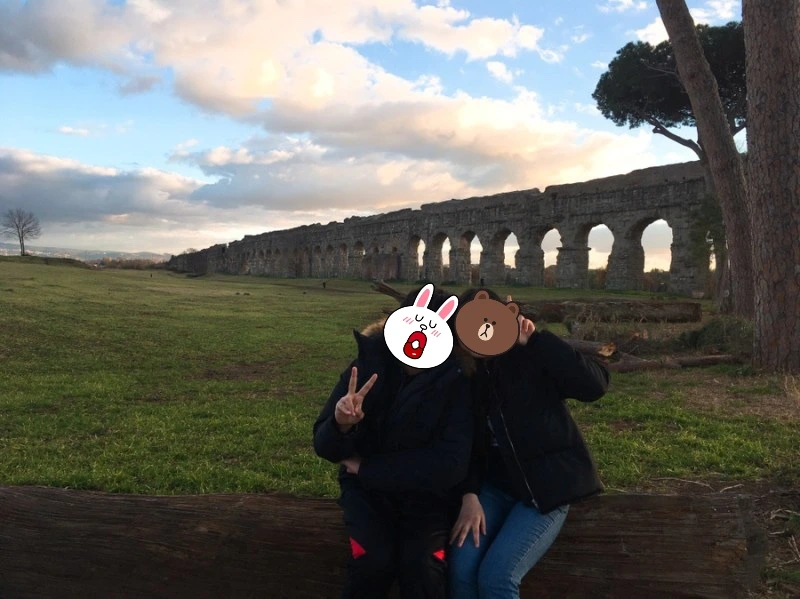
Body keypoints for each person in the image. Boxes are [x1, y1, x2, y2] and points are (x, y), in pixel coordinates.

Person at [313, 285, 474, 599]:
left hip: (427, 497)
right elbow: (325, 446)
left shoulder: (456, 381)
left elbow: (450, 463)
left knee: (423, 567)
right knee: (372, 562)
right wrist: (341, 425)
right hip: (366, 494)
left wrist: (368, 468)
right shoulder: (367, 365)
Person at [448, 288, 609, 599]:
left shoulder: (531, 355)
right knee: (460, 570)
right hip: (492, 491)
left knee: (497, 578)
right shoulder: (465, 375)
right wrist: (469, 494)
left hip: (546, 489)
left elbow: (594, 386)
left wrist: (536, 340)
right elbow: (465, 441)